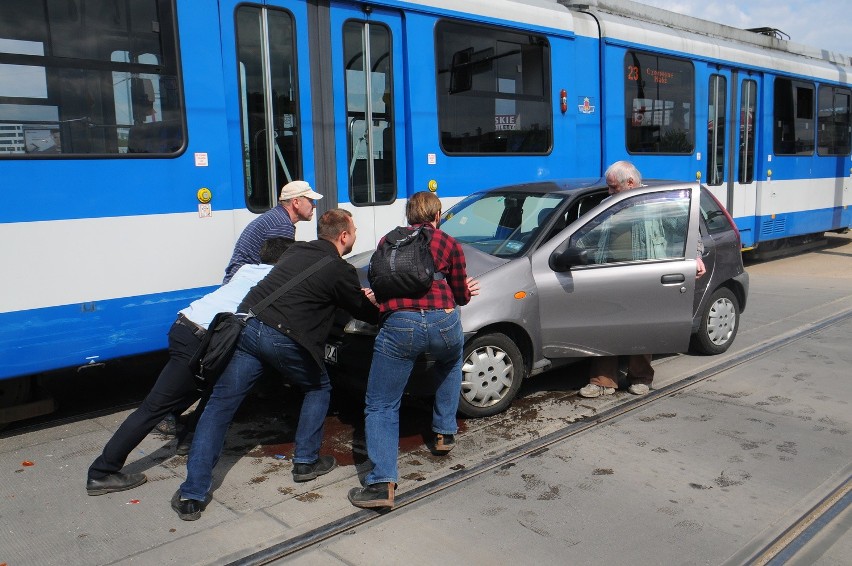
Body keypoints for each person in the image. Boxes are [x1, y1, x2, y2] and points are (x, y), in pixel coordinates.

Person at [173, 209, 380, 521]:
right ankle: (305, 462)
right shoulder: (341, 270)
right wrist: (379, 309)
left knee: (218, 407)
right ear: (344, 236)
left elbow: (302, 289)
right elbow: (362, 310)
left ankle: (192, 493)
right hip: (285, 338)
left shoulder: (296, 249)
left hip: (248, 327)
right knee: (318, 386)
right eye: (354, 230)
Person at [85, 237, 294, 495]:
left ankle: (190, 439)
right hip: (198, 341)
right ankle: (101, 472)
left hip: (188, 329)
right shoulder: (276, 279)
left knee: (213, 388)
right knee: (153, 408)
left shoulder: (248, 269)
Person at [348, 191, 480, 511]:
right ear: (436, 216)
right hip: (443, 324)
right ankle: (444, 433)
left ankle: (381, 483)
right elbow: (461, 295)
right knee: (450, 362)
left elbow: (380, 286)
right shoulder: (448, 243)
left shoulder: (387, 242)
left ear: (409, 216)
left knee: (381, 404)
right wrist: (463, 290)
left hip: (399, 327)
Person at [578, 161, 705, 399]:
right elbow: (588, 235)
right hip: (610, 276)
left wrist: (696, 257)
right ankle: (603, 381)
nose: (609, 192)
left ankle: (640, 377)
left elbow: (688, 230)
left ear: (630, 183)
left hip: (646, 277)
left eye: (613, 188)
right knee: (606, 328)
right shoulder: (608, 204)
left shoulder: (658, 203)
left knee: (643, 328)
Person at [222, 180, 322, 284]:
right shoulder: (282, 225)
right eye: (310, 200)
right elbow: (280, 270)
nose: (314, 206)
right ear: (296, 202)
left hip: (239, 279)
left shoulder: (276, 216)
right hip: (244, 284)